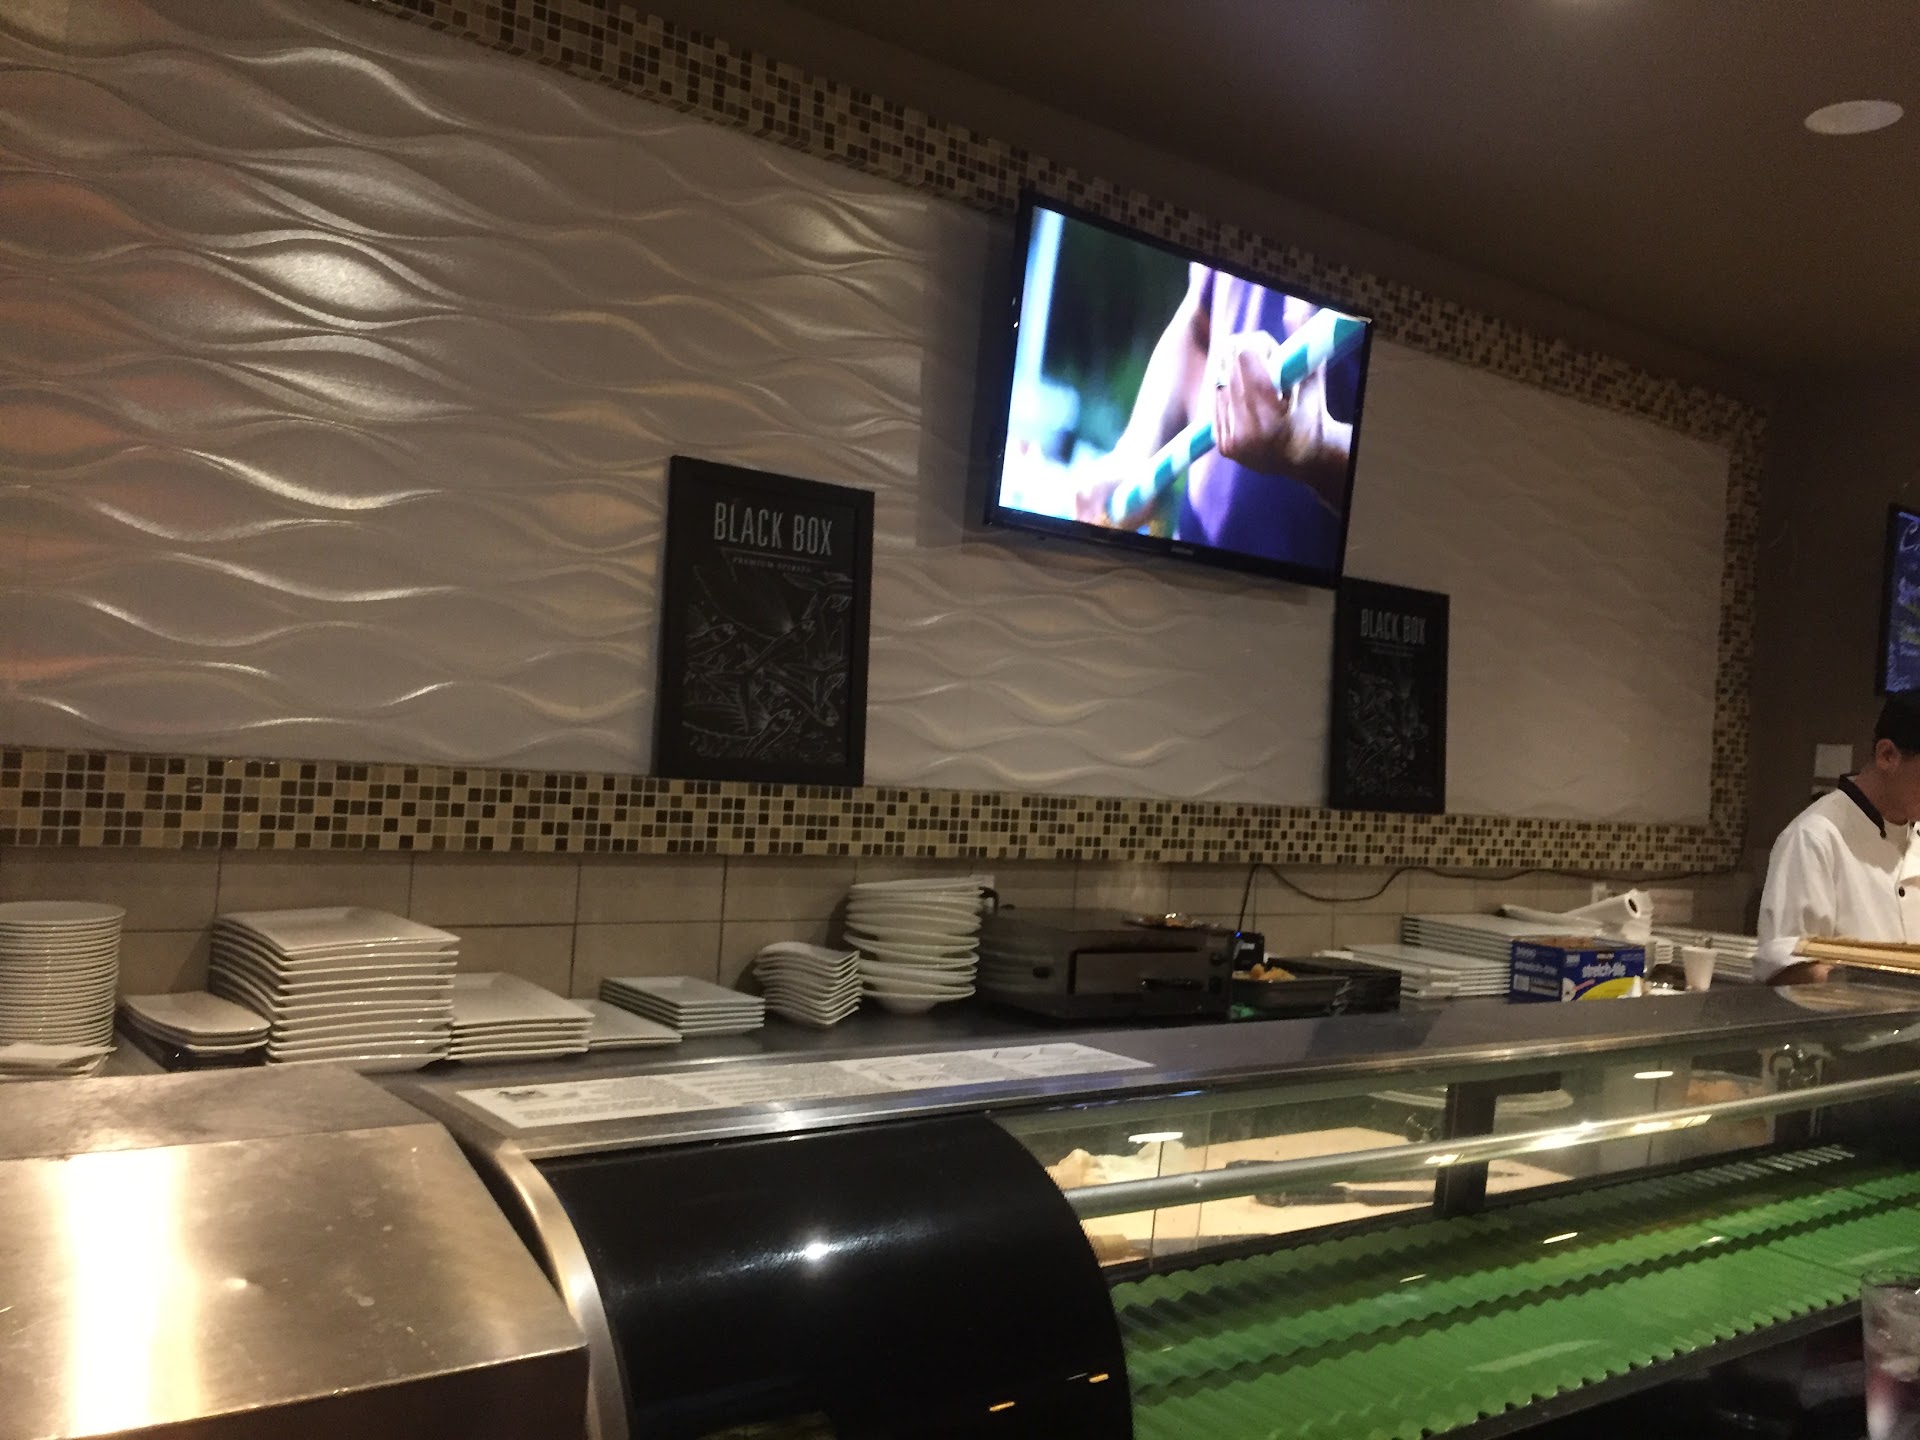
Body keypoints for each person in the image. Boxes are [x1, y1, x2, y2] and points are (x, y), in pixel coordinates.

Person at [1075, 264, 1359, 568]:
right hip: (1188, 564)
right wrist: (1134, 454)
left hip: (1305, 587)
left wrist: (1319, 455)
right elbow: (1197, 327)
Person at [1755, 691, 1920, 984]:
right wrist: (1886, 984)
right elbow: (1788, 968)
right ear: (1887, 755)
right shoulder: (1813, 838)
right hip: (1851, 1015)